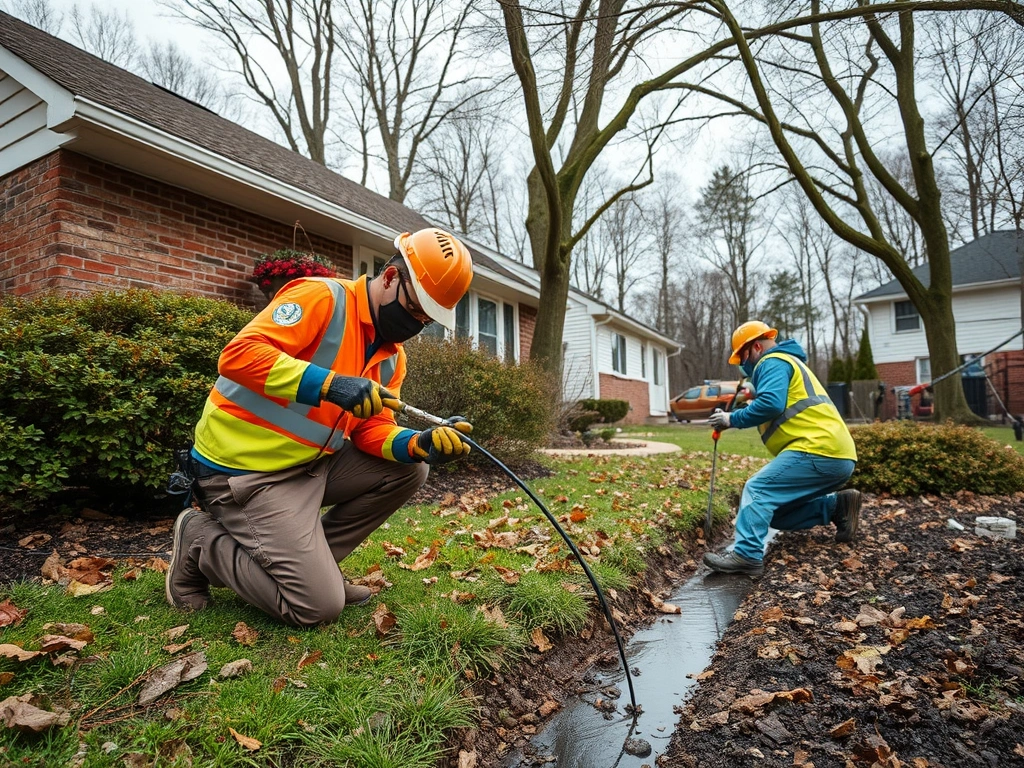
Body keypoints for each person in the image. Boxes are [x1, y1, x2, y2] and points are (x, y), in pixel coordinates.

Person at [166, 228, 475, 626]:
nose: (416, 323)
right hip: (244, 473)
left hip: (308, 467)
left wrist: (419, 444)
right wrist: (329, 385)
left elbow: (372, 429)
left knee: (411, 470)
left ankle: (316, 568)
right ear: (390, 278)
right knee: (318, 606)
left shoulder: (391, 358)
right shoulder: (321, 299)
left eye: (426, 319)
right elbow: (238, 356)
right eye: (415, 309)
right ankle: (199, 539)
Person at [705, 321, 861, 577]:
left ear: (756, 347)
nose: (743, 365)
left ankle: (746, 555)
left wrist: (731, 419)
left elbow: (771, 404)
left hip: (817, 448)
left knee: (758, 489)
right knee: (774, 513)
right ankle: (837, 507)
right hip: (836, 455)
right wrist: (743, 409)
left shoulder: (772, 361)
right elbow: (774, 403)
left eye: (743, 357)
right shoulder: (787, 363)